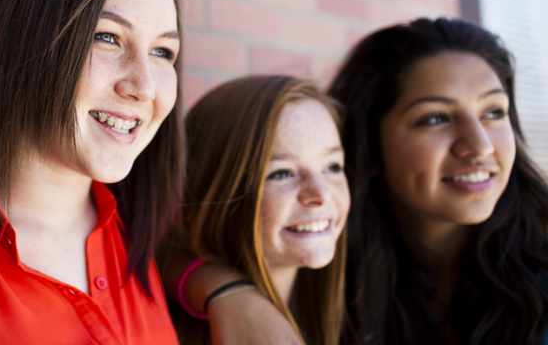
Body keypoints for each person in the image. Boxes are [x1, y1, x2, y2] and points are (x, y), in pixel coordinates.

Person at [0, 0, 184, 343]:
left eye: (162, 51)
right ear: (16, 38)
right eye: (107, 37)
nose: (144, 87)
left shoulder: (146, 232)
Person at [328, 17, 548, 345]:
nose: (480, 146)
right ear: (369, 145)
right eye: (436, 118)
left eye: (494, 112)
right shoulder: (326, 280)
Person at [161, 76, 349, 345]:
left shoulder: (357, 301)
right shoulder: (158, 328)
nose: (321, 194)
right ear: (215, 189)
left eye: (332, 166)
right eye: (282, 173)